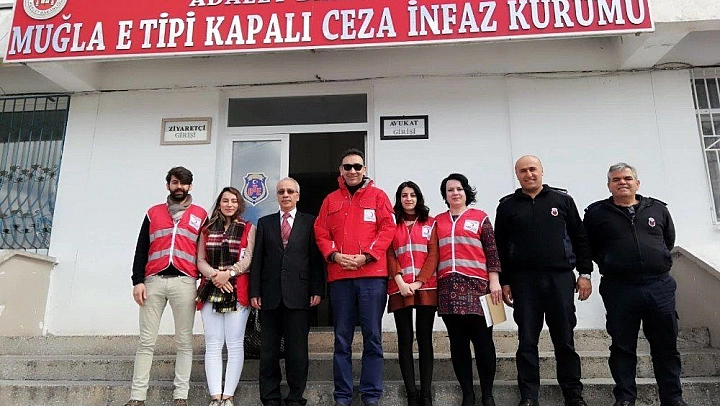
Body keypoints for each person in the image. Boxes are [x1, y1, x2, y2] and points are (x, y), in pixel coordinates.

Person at [583, 163, 687, 406]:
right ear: (609, 185)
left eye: (627, 178)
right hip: (619, 288)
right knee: (622, 347)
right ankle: (625, 398)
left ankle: (673, 398)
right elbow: (587, 247)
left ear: (637, 183)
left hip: (658, 287)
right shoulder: (596, 214)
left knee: (666, 347)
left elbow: (668, 240)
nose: (622, 182)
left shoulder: (657, 209)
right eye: (616, 179)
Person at [494, 155, 591, 406]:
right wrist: (505, 281)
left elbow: (580, 238)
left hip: (560, 278)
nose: (529, 174)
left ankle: (573, 394)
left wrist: (585, 273)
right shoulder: (507, 206)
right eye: (523, 171)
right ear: (517, 175)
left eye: (532, 169)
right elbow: (500, 247)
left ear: (542, 171)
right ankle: (529, 396)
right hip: (524, 282)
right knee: (527, 340)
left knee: (565, 339)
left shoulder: (563, 201)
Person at [314, 148, 395, 406]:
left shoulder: (378, 196)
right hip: (340, 276)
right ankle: (343, 395)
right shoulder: (330, 200)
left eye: (357, 166)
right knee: (342, 338)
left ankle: (371, 395)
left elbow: (388, 228)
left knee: (372, 336)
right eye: (347, 167)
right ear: (340, 170)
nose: (352, 171)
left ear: (364, 170)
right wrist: (334, 255)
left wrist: (368, 256)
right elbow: (320, 232)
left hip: (371, 275)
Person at [126, 166, 208, 406]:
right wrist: (137, 281)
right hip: (153, 282)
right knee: (146, 341)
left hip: (185, 282)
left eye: (183, 183)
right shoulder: (153, 213)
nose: (179, 187)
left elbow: (204, 253)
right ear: (168, 185)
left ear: (190, 186)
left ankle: (181, 395)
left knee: (184, 342)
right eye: (175, 182)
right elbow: (141, 249)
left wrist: (202, 285)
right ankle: (137, 397)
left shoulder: (201, 215)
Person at [250, 177, 326, 406]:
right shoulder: (265, 223)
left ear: (298, 196)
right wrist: (255, 291)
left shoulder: (310, 222)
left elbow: (315, 259)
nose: (286, 195)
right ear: (277, 195)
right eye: (282, 191)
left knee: (297, 351)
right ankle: (270, 397)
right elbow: (258, 260)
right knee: (268, 351)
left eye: (290, 191)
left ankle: (295, 397)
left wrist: (317, 289)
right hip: (269, 295)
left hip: (299, 294)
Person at [436, 173, 502, 406]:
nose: (455, 193)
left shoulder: (480, 217)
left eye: (459, 189)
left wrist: (494, 281)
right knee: (458, 344)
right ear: (445, 195)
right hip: (448, 288)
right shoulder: (437, 221)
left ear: (466, 192)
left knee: (484, 343)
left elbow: (492, 251)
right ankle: (468, 394)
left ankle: (487, 394)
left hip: (480, 287)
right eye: (450, 190)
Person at [195, 186, 255, 406]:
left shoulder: (248, 228)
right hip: (211, 290)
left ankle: (228, 395)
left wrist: (228, 274)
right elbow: (200, 259)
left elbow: (248, 259)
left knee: (234, 343)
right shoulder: (206, 229)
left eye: (234, 201)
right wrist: (215, 276)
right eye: (225, 200)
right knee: (213, 343)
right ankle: (215, 396)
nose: (229, 205)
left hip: (237, 290)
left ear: (239, 205)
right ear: (219, 204)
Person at [386, 181, 439, 406]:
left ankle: (425, 393)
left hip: (425, 287)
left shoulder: (431, 222)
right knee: (405, 339)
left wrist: (418, 282)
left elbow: (434, 255)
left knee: (425, 339)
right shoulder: (391, 223)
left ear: (419, 198)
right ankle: (411, 394)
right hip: (399, 287)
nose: (408, 199)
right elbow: (389, 253)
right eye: (404, 195)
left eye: (412, 195)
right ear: (399, 199)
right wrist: (399, 280)